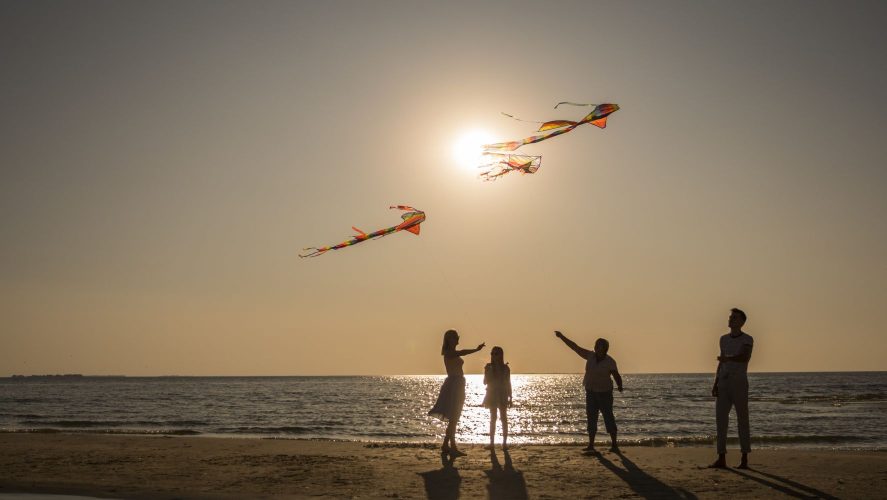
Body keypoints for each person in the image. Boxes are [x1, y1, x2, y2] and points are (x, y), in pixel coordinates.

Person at [555, 331, 623, 452]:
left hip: (605, 393)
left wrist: (620, 386)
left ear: (605, 349)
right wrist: (562, 337)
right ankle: (591, 445)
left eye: (600, 347)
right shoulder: (590, 356)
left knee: (608, 417)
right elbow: (575, 347)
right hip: (590, 391)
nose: (597, 348)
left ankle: (614, 445)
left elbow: (616, 375)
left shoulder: (610, 361)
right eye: (596, 346)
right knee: (591, 418)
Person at [709, 308, 754, 469]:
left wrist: (727, 358)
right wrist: (715, 383)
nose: (730, 320)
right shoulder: (723, 339)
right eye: (730, 317)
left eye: (734, 318)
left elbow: (744, 357)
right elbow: (720, 362)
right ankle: (721, 457)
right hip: (724, 382)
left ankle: (744, 458)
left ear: (741, 321)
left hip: (739, 382)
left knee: (742, 419)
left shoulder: (747, 339)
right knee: (721, 420)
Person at [429, 329, 485, 457]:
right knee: (454, 417)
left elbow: (461, 353)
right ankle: (451, 447)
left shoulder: (452, 353)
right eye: (455, 337)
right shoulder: (448, 353)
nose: (457, 339)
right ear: (449, 340)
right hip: (454, 384)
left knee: (455, 417)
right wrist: (476, 350)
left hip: (459, 383)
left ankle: (446, 445)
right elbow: (463, 352)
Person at [482, 346, 513, 450]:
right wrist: (488, 371)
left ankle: (504, 443)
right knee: (493, 419)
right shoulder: (488, 367)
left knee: (504, 418)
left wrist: (510, 397)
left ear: (501, 355)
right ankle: (491, 443)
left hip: (502, 394)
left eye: (496, 354)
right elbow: (485, 382)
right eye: (492, 354)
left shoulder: (505, 368)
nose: (494, 356)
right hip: (491, 393)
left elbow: (508, 383)